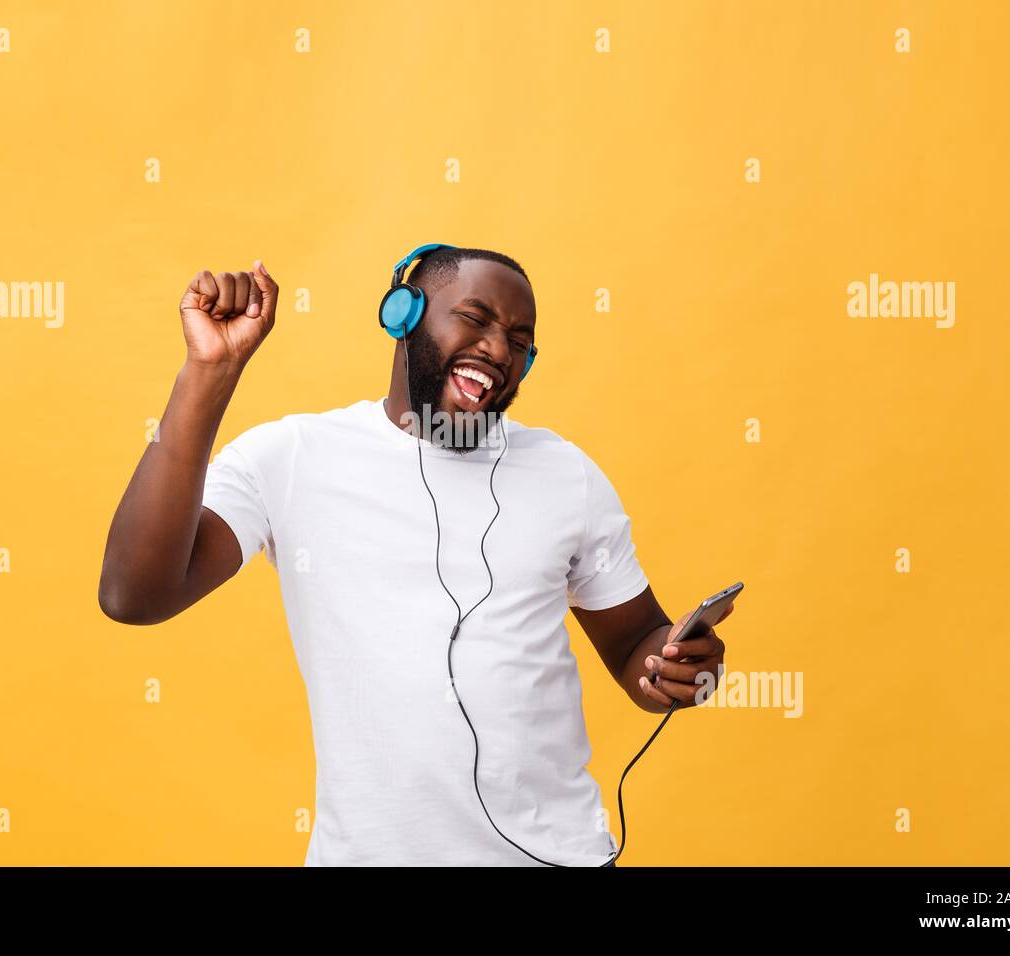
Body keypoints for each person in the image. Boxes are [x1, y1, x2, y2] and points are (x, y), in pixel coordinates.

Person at [97, 245, 730, 866]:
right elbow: (134, 595)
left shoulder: (567, 474)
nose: (499, 349)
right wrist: (210, 372)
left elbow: (634, 648)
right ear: (404, 315)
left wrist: (674, 668)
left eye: (519, 339)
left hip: (558, 856)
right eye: (476, 319)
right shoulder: (292, 457)